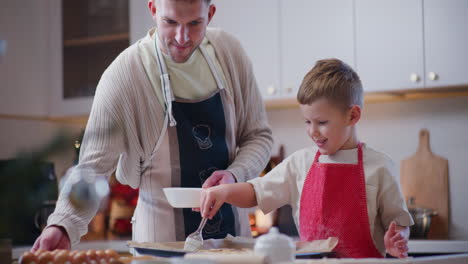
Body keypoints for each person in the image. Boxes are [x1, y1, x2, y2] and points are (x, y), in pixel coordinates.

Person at [32, 0, 272, 251]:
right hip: (158, 249)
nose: (182, 37)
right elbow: (91, 169)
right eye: (171, 22)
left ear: (210, 14)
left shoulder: (229, 53)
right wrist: (62, 225)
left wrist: (235, 174)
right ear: (153, 10)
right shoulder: (124, 74)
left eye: (194, 23)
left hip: (234, 246)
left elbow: (259, 136)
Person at [199, 59, 414, 258]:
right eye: (307, 122)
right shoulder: (299, 164)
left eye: (321, 122)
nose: (313, 132)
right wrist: (224, 192)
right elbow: (256, 193)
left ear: (353, 115)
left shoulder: (380, 167)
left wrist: (398, 239)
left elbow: (399, 222)